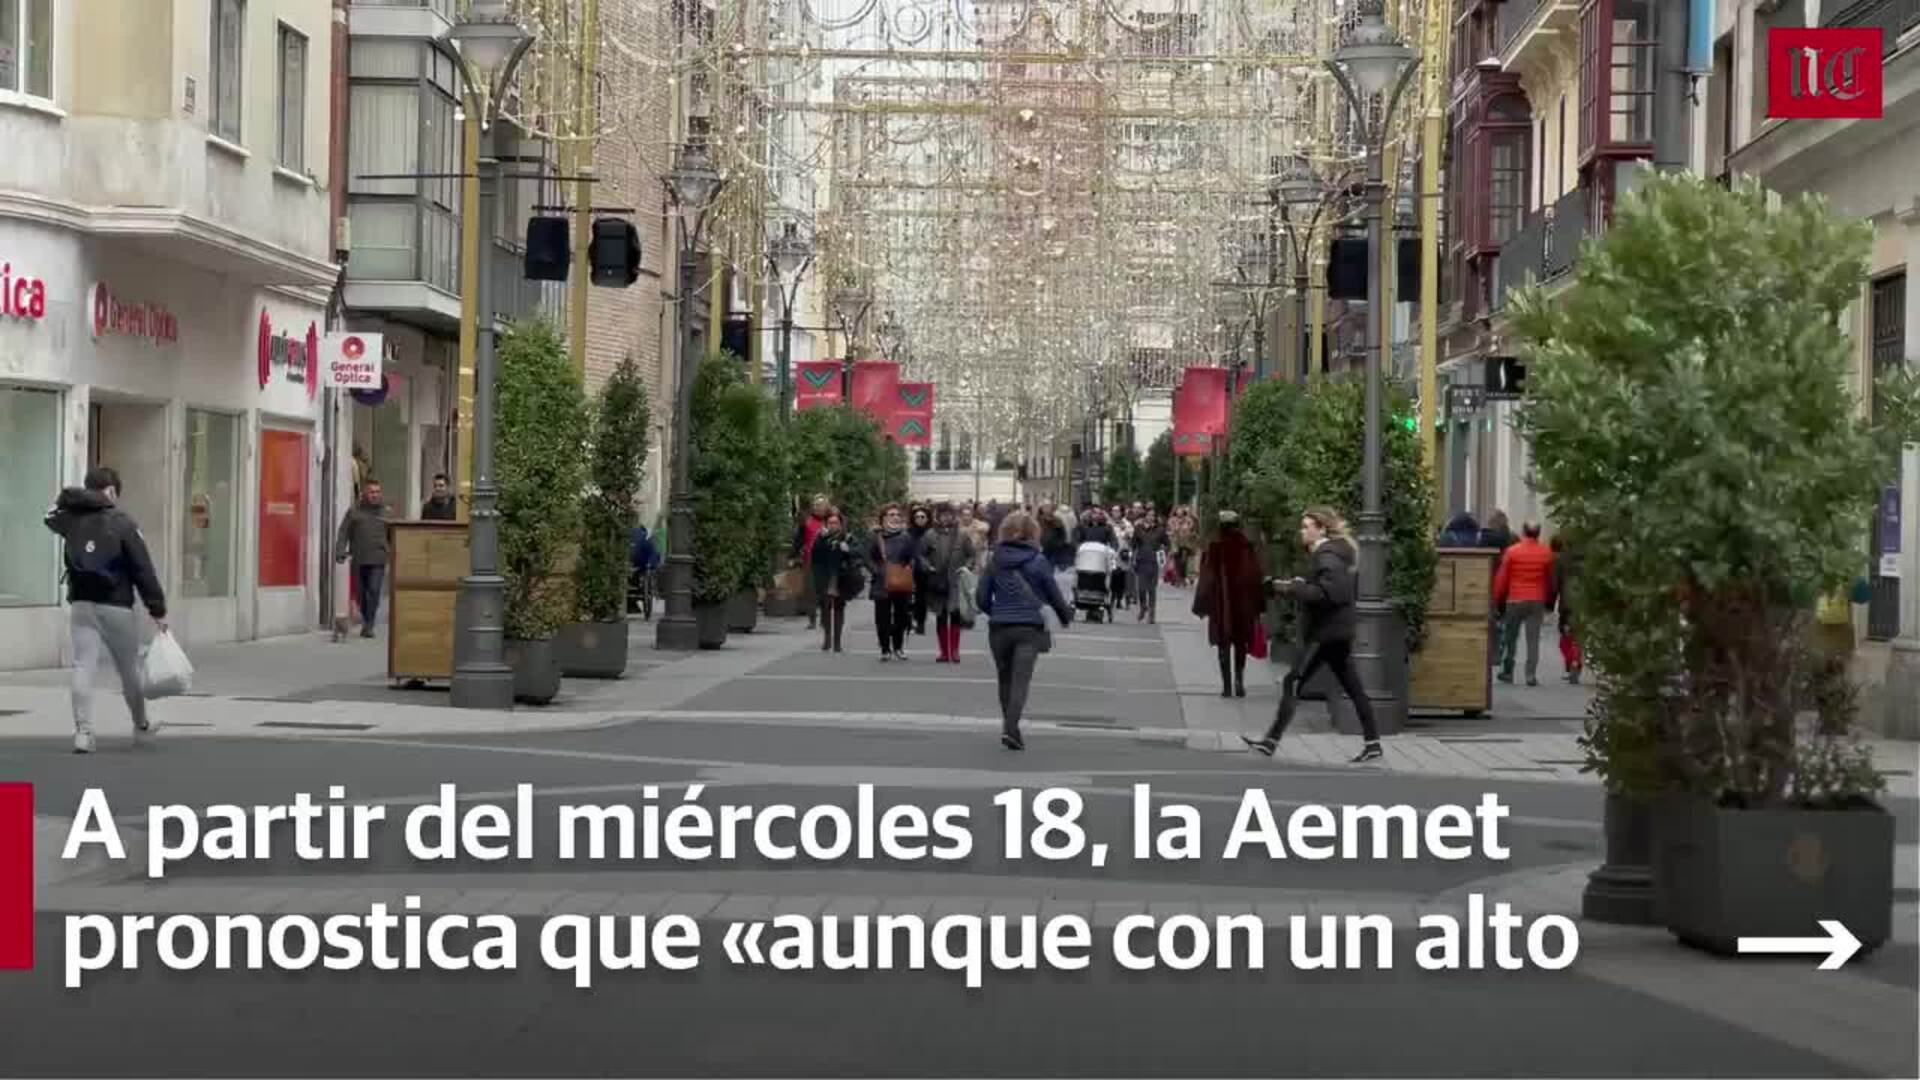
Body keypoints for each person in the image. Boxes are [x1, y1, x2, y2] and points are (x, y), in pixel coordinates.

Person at [43, 466, 168, 755]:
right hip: (116, 606)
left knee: (83, 666)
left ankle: (83, 733)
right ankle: (141, 725)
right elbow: (142, 569)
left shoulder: (71, 519)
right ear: (112, 491)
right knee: (128, 670)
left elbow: (47, 515)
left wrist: (72, 497)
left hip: (82, 605)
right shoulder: (123, 522)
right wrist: (157, 608)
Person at [1243, 507, 1382, 763]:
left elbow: (1329, 593)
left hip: (1325, 633)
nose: (1302, 530)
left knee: (1293, 681)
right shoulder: (1330, 554)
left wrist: (1293, 588)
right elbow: (1321, 588)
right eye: (1303, 526)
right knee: (1353, 687)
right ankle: (1373, 743)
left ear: (1321, 529)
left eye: (1307, 526)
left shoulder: (1327, 556)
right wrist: (1291, 585)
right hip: (1336, 631)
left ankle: (1270, 742)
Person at [976, 510, 1074, 750]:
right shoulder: (1038, 561)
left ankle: (1010, 727)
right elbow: (1053, 594)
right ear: (1033, 533)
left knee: (1004, 679)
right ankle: (1011, 728)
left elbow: (981, 596)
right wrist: (1064, 616)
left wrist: (997, 611)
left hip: (999, 628)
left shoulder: (995, 560)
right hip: (1029, 627)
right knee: (1021, 681)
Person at [1192, 510, 1265, 697]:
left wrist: (1202, 604)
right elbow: (1255, 576)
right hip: (1243, 604)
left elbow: (1207, 577)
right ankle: (1239, 681)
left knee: (1223, 643)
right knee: (1240, 643)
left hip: (1221, 603)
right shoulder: (1247, 546)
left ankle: (1226, 686)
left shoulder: (1215, 547)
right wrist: (1258, 604)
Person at [1495, 521, 1555, 685]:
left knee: (1511, 637)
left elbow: (1502, 579)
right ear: (1538, 533)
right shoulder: (1546, 552)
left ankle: (1508, 670)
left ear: (1523, 532)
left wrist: (1497, 598)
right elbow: (1550, 580)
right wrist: (1550, 600)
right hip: (1536, 600)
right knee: (1533, 639)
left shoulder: (1512, 552)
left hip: (1515, 599)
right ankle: (1530, 675)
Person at [336, 479, 391, 639]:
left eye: (377, 492)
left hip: (378, 558)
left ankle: (369, 624)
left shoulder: (386, 512)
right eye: (372, 492)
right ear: (364, 494)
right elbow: (343, 532)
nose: (375, 495)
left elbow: (394, 534)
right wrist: (340, 550)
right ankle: (367, 618)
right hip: (359, 558)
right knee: (360, 594)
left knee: (373, 591)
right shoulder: (354, 511)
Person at [924, 502, 978, 663]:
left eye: (948, 515)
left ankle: (955, 651)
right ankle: (943, 652)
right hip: (938, 582)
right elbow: (921, 555)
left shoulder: (962, 535)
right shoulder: (930, 535)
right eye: (942, 515)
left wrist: (966, 567)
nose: (945, 518)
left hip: (956, 582)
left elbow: (971, 555)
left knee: (955, 615)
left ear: (953, 517)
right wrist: (928, 566)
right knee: (941, 617)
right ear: (938, 517)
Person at [868, 504, 922, 660]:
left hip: (901, 580)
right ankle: (885, 648)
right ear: (883, 518)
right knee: (882, 617)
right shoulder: (875, 536)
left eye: (897, 514)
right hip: (881, 581)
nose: (895, 517)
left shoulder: (906, 537)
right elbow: (866, 556)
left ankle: (898, 647)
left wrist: (910, 565)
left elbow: (913, 556)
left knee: (901, 616)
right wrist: (876, 570)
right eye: (891, 514)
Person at [809, 510, 860, 653]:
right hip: (825, 577)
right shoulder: (821, 538)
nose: (833, 525)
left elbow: (858, 553)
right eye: (830, 523)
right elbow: (815, 557)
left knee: (838, 608)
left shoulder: (847, 538)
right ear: (826, 524)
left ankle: (837, 642)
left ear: (841, 524)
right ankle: (827, 638)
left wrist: (847, 549)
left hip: (842, 577)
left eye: (836, 523)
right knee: (825, 608)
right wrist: (821, 540)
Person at [794, 495, 831, 630]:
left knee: (825, 591)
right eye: (815, 505)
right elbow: (799, 539)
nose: (817, 507)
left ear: (826, 507)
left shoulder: (831, 521)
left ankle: (824, 618)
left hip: (827, 560)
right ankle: (812, 619)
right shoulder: (807, 521)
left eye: (820, 505)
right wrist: (793, 556)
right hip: (810, 560)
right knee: (810, 590)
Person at [1550, 534, 1582, 684]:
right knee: (1578, 635)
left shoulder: (1560, 560)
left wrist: (1549, 603)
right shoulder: (1586, 560)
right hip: (1584, 602)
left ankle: (1570, 664)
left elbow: (1554, 584)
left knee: (1565, 636)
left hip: (1567, 603)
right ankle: (1576, 661)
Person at [1130, 510, 1169, 623]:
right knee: (1141, 589)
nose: (1151, 517)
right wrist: (1131, 557)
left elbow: (1167, 544)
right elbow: (1133, 544)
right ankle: (1143, 607)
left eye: (1153, 516)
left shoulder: (1160, 530)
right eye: (1149, 515)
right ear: (1145, 517)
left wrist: (1163, 552)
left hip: (1154, 562)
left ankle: (1152, 614)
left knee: (1152, 589)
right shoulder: (1139, 529)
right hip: (1141, 562)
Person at [908, 504, 934, 635]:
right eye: (917, 517)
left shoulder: (932, 533)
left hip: (927, 570)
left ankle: (921, 623)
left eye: (922, 517)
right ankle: (914, 622)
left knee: (923, 598)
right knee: (913, 598)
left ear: (927, 518)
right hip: (911, 569)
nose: (919, 519)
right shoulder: (909, 533)